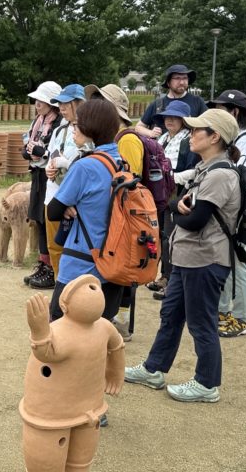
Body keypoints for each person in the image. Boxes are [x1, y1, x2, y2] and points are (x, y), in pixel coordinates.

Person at [124, 108, 241, 403]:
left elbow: (193, 218)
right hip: (188, 258)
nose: (190, 134)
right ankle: (154, 369)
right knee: (171, 315)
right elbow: (178, 205)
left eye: (197, 130)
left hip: (206, 260)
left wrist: (177, 209)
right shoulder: (206, 169)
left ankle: (207, 383)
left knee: (201, 323)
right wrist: (178, 207)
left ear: (215, 137)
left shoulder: (220, 174)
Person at [44, 99, 125, 322]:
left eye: (77, 125)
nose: (73, 129)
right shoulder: (120, 161)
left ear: (90, 128)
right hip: (113, 264)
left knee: (59, 332)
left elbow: (53, 211)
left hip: (81, 263)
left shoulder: (85, 166)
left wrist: (70, 205)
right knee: (99, 337)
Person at [84, 83, 143, 339]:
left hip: (120, 220)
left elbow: (130, 183)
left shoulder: (127, 140)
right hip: (109, 219)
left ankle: (117, 322)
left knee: (117, 272)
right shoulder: (108, 140)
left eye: (99, 101)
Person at [208, 89, 246, 338]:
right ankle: (228, 312)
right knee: (230, 261)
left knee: (238, 263)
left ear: (235, 112)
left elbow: (239, 177)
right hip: (233, 210)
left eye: (220, 108)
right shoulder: (238, 139)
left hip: (239, 212)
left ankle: (241, 316)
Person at [36, 83, 91, 289]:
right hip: (54, 196)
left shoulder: (90, 131)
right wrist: (49, 170)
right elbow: (50, 158)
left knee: (76, 248)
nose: (61, 108)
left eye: (65, 103)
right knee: (55, 246)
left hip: (75, 202)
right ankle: (61, 286)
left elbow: (88, 165)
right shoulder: (60, 130)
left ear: (79, 103)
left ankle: (76, 291)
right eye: (59, 103)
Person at [148, 99, 201, 301]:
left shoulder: (189, 140)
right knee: (161, 233)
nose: (169, 120)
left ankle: (170, 280)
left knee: (170, 235)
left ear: (184, 120)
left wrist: (172, 177)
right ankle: (164, 275)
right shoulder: (162, 139)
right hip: (160, 191)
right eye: (167, 117)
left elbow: (194, 169)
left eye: (175, 117)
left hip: (178, 192)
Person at [22, 81, 63, 288]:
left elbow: (54, 152)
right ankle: (43, 262)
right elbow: (28, 143)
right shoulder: (38, 121)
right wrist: (28, 151)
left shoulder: (59, 124)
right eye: (36, 100)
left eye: (41, 100)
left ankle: (53, 269)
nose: (37, 104)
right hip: (37, 173)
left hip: (53, 176)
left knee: (49, 219)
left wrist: (39, 152)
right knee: (38, 217)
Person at [135, 64, 208, 139]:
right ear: (168, 82)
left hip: (191, 148)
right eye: (177, 78)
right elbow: (138, 127)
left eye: (185, 78)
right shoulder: (157, 104)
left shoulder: (197, 101)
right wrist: (150, 132)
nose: (182, 82)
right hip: (161, 149)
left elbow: (209, 126)